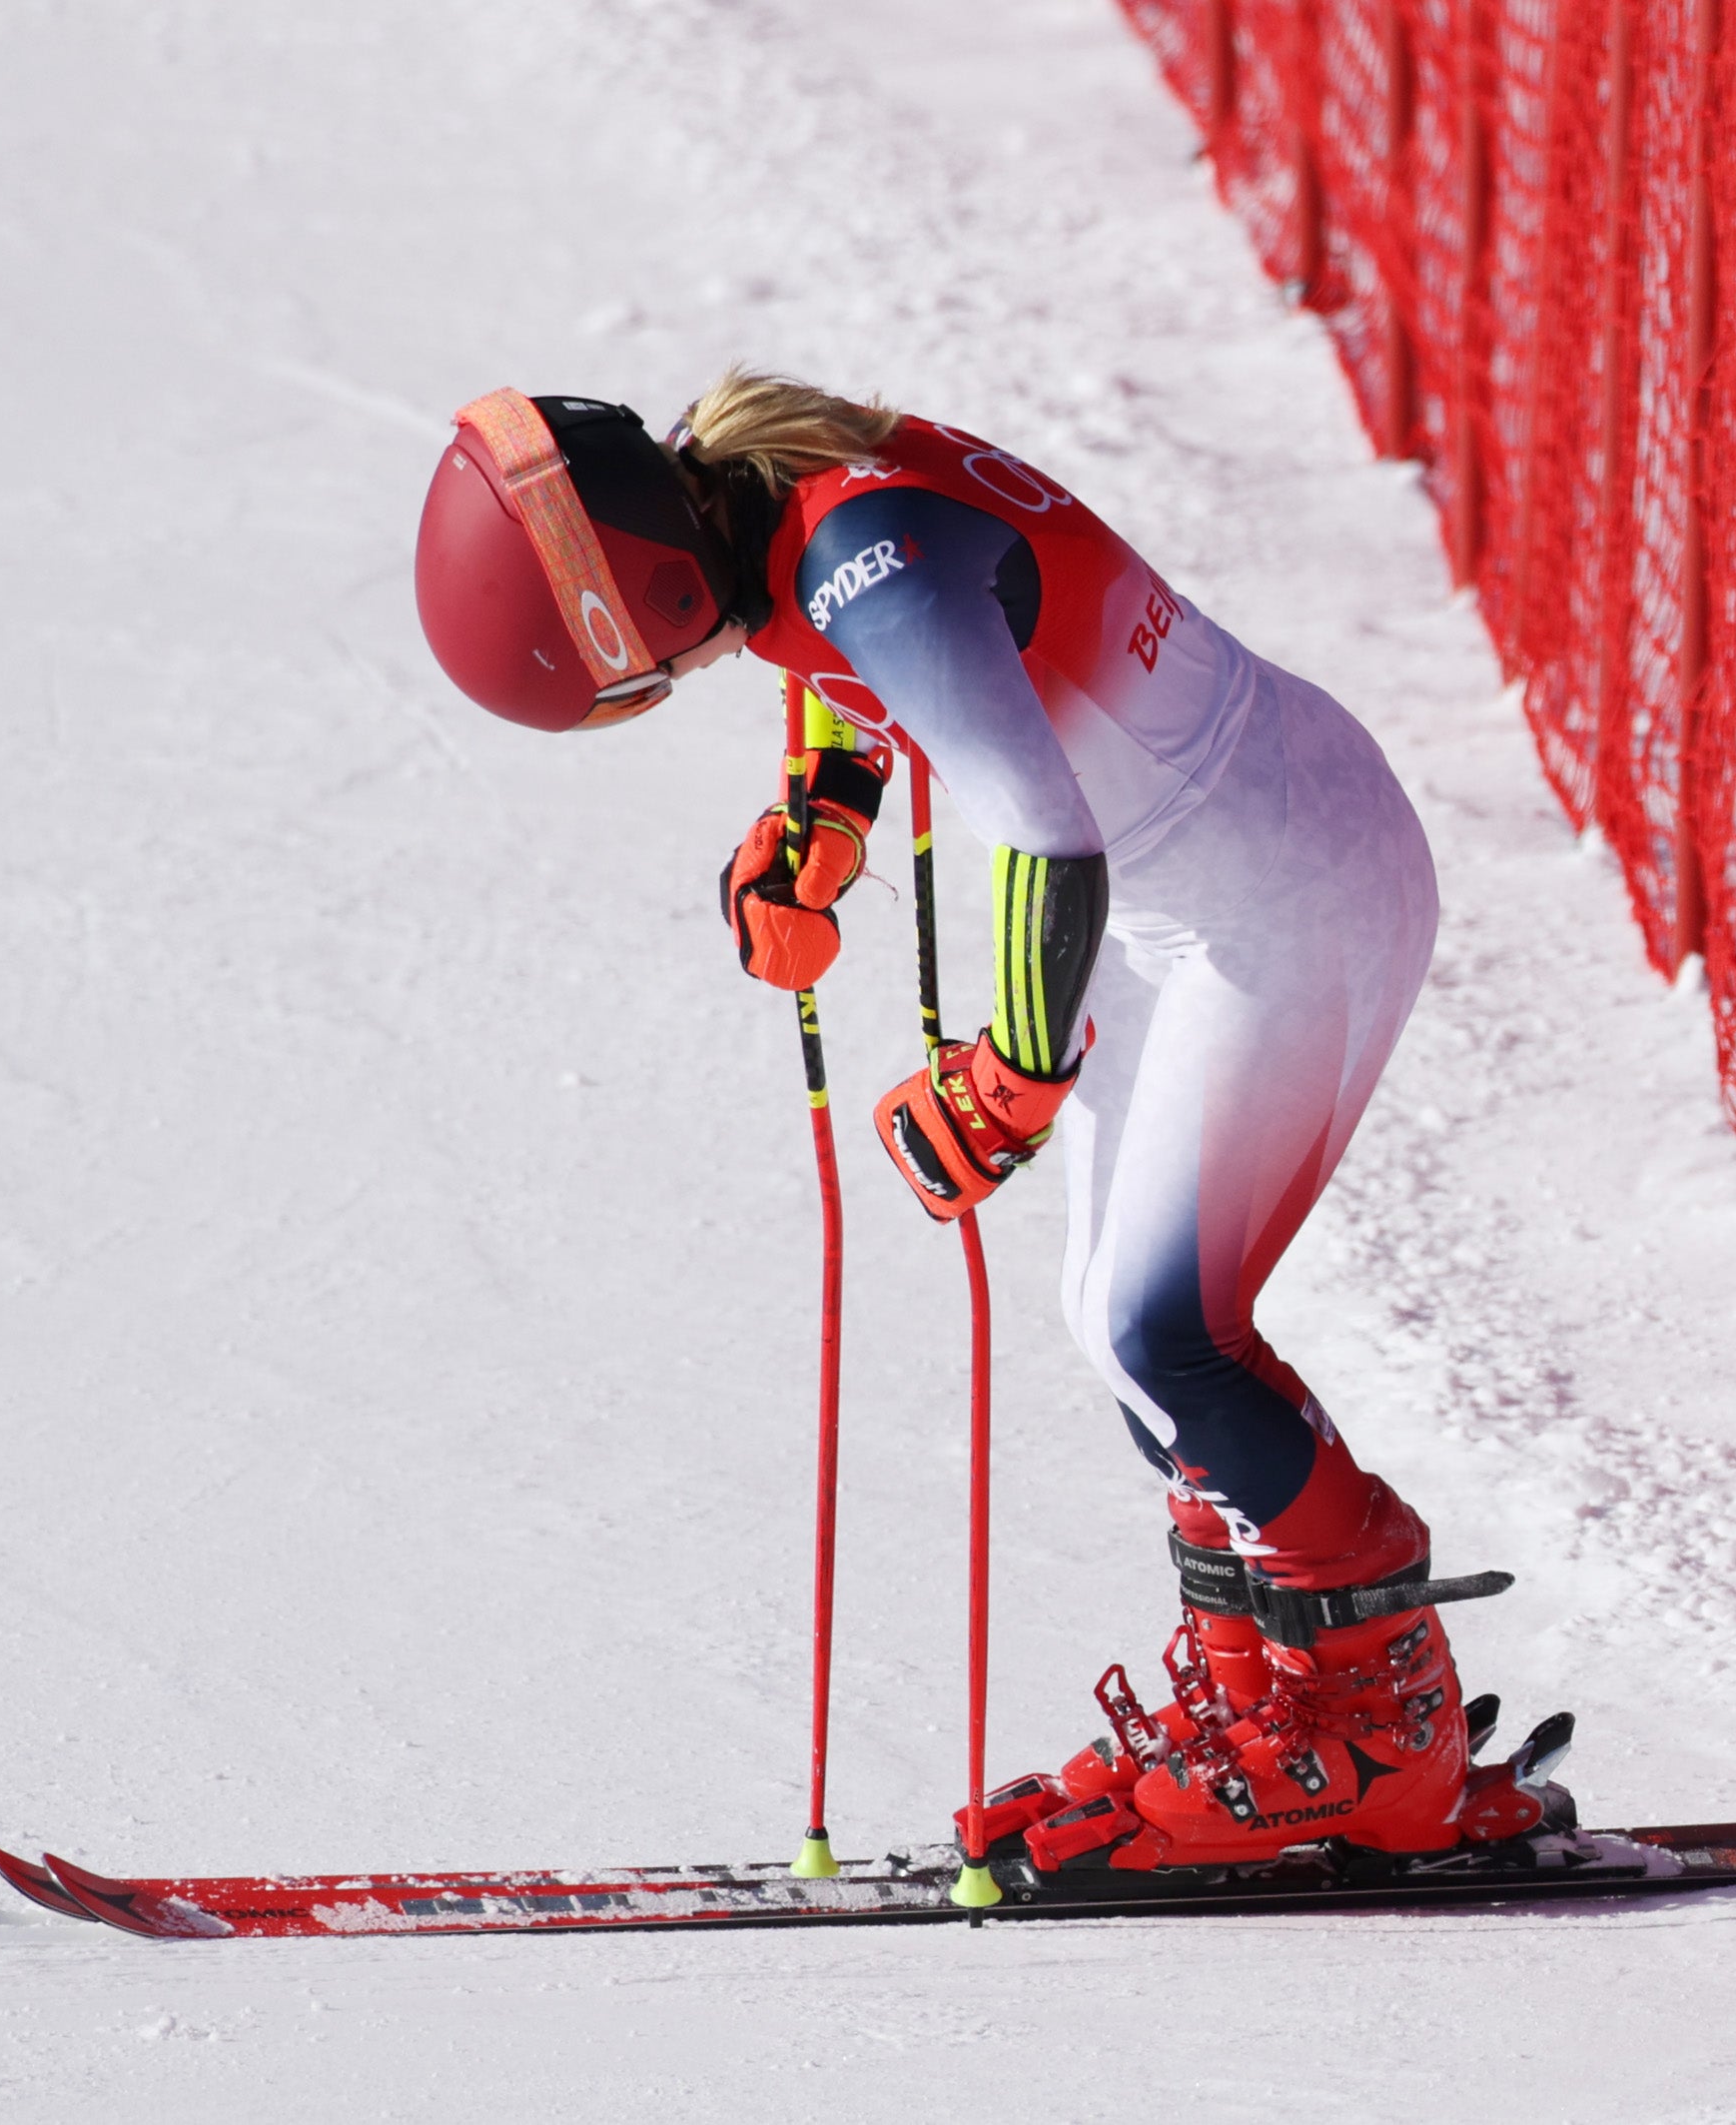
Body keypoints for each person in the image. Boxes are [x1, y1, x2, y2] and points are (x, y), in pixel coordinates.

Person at [411, 375, 1535, 1871]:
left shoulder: (856, 557)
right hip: (1203, 894)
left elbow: (1036, 822)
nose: (658, 686)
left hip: (1279, 896)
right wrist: (823, 813)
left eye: (632, 669)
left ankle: (1378, 1741)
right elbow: (893, 670)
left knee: (1168, 1332)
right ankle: (1262, 1699)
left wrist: (1009, 1073)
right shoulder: (788, 509)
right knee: (1119, 1324)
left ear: (646, 594)